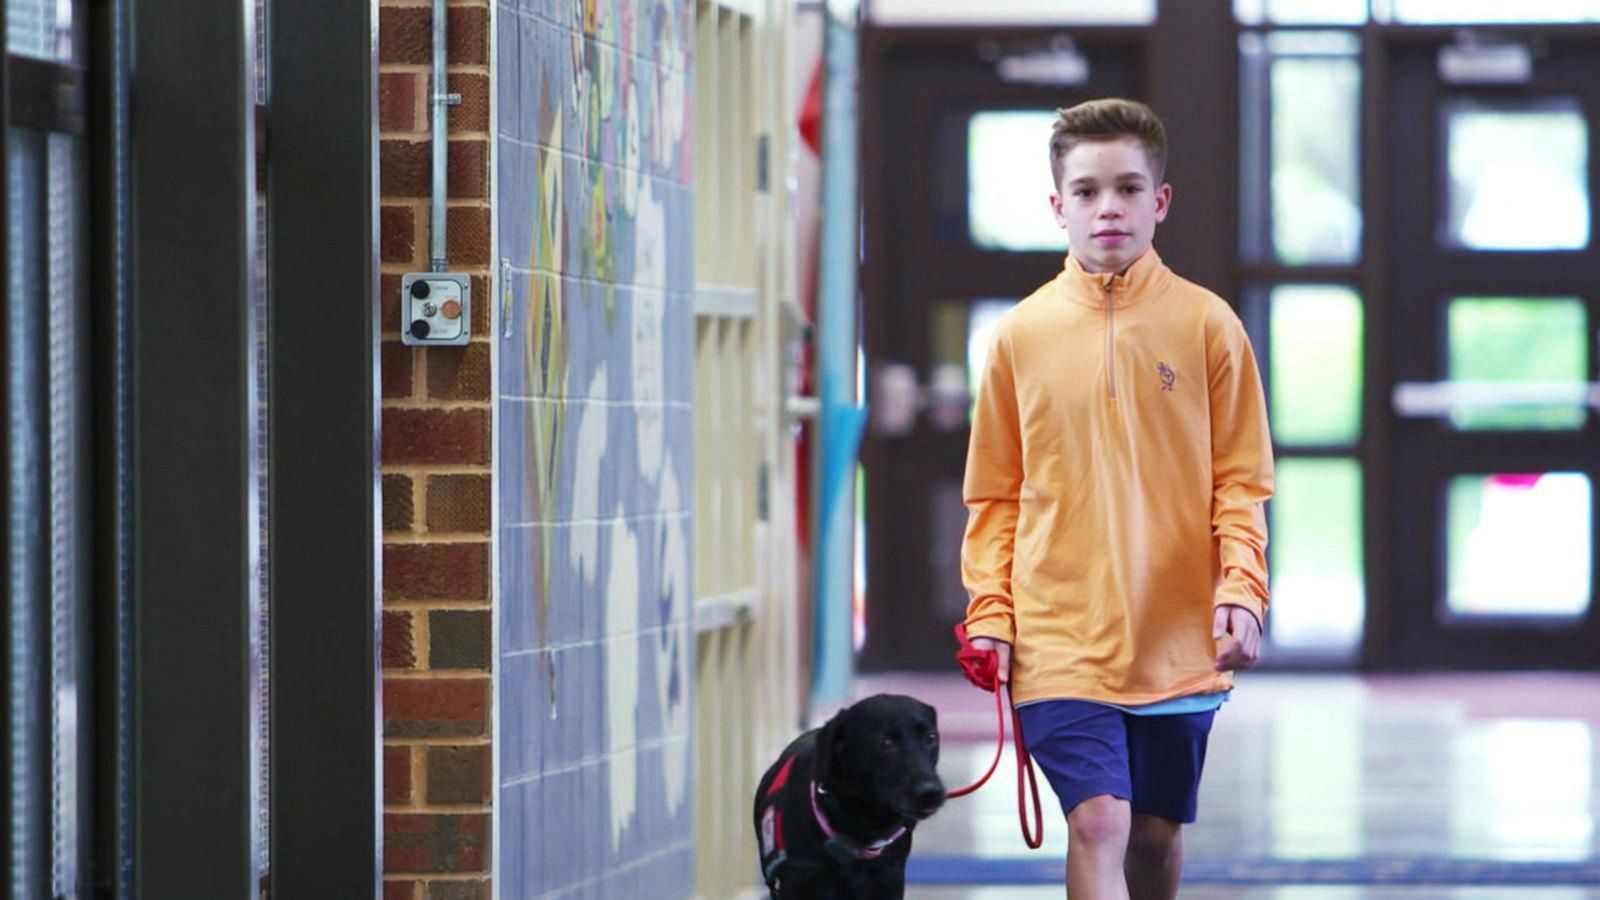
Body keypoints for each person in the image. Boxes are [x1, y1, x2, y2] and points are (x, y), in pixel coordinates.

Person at [960, 98, 1274, 900]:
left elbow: (1241, 479)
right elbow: (994, 493)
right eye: (1089, 190)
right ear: (1057, 204)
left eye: (1129, 188)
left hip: (1176, 637)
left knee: (1155, 836)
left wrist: (1242, 587)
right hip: (1058, 633)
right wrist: (992, 611)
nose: (1109, 207)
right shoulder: (1020, 337)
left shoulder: (1209, 326)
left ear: (1159, 202)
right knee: (1099, 818)